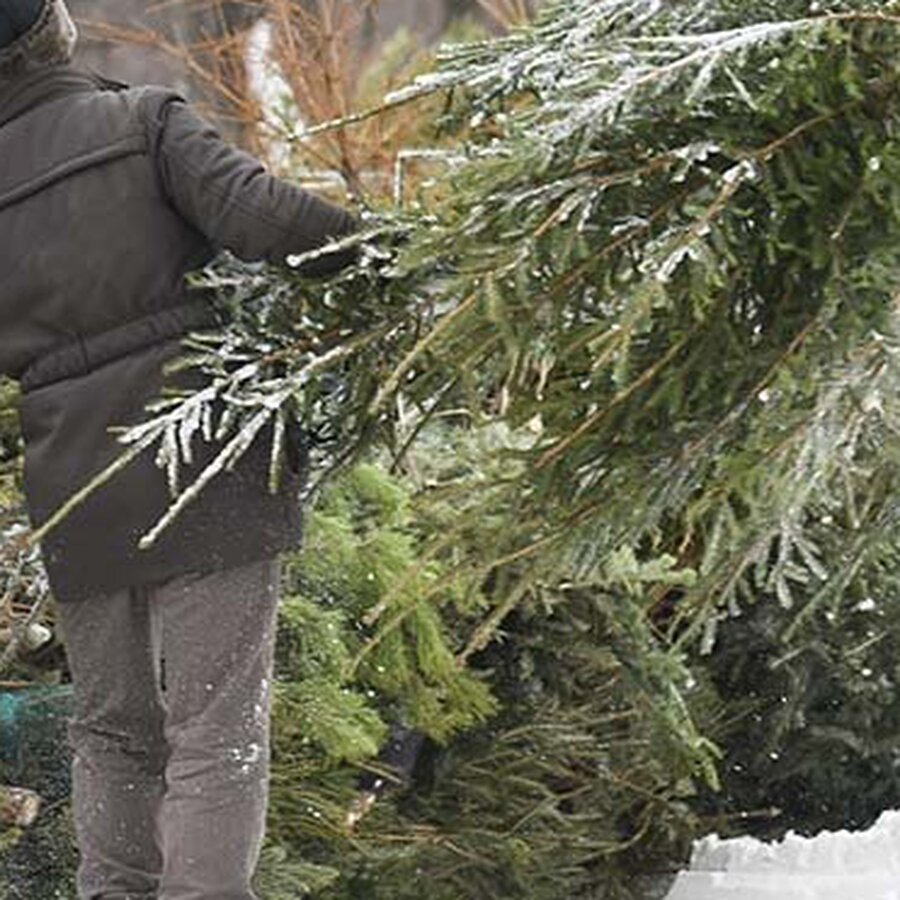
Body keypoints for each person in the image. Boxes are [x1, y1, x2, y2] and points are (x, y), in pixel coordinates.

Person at [0, 1, 359, 897]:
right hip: (202, 451)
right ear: (54, 32)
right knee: (214, 731)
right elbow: (273, 222)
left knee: (112, 730)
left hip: (74, 478)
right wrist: (392, 255)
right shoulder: (139, 123)